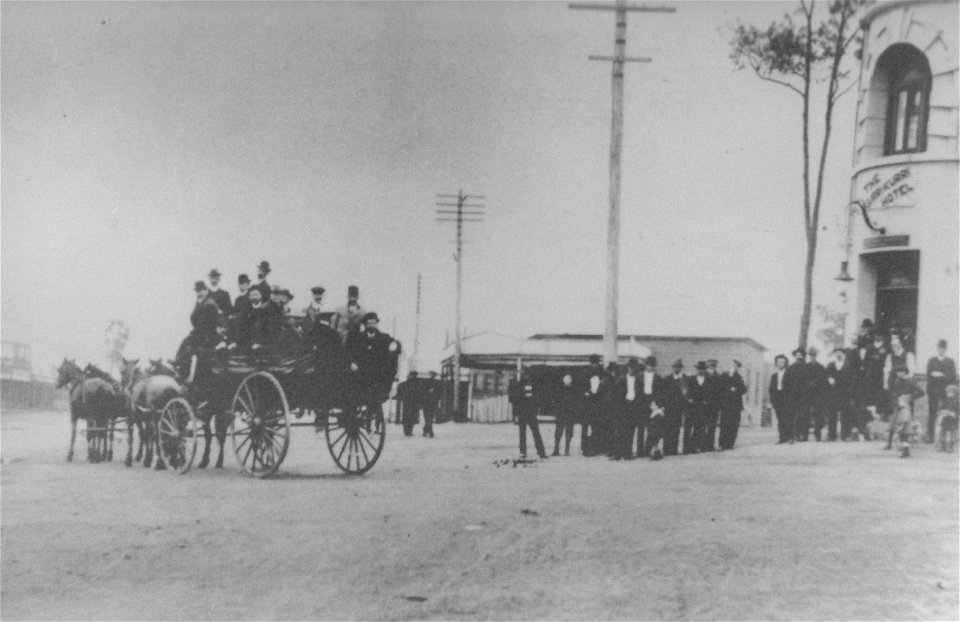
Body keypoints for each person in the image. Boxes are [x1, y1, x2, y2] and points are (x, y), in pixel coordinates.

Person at [345, 312, 401, 431]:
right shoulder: (358, 338)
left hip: (378, 377)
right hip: (361, 375)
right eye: (369, 323)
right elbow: (349, 352)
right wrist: (352, 363)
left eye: (374, 323)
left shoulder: (385, 338)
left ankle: (376, 408)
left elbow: (396, 345)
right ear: (365, 325)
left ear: (377, 324)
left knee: (389, 364)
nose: (371, 325)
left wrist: (395, 346)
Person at [175, 281, 221, 366]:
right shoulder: (201, 302)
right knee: (186, 342)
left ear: (205, 290)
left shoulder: (209, 304)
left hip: (208, 336)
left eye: (200, 291)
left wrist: (196, 330)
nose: (198, 293)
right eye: (197, 291)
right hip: (201, 333)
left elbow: (204, 324)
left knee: (189, 346)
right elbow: (192, 318)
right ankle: (179, 363)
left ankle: (182, 367)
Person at [885, 365, 924, 456]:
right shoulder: (897, 381)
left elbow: (921, 392)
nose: (898, 374)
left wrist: (910, 397)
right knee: (893, 424)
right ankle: (889, 443)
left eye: (900, 372)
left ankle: (905, 448)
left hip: (907, 407)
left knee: (905, 426)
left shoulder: (911, 381)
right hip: (897, 405)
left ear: (905, 372)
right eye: (897, 372)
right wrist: (896, 400)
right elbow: (893, 392)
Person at [509, 367, 547, 459]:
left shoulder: (534, 386)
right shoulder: (518, 385)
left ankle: (540, 452)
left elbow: (537, 399)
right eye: (525, 374)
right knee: (524, 432)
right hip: (523, 412)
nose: (526, 376)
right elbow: (515, 400)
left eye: (527, 374)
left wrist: (535, 408)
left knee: (534, 432)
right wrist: (516, 413)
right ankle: (524, 452)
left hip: (530, 412)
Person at [611, 358, 643, 460]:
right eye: (630, 368)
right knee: (620, 430)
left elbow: (641, 394)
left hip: (634, 406)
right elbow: (616, 394)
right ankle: (617, 454)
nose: (632, 370)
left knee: (631, 430)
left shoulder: (639, 380)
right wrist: (619, 406)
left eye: (634, 368)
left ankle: (627, 453)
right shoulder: (621, 379)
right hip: (624, 406)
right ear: (628, 368)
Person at [925, 339, 957, 443]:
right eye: (939, 348)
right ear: (937, 348)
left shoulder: (950, 362)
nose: (941, 350)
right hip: (933, 391)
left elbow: (951, 377)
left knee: (946, 413)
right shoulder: (932, 360)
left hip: (946, 392)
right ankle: (930, 436)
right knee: (932, 413)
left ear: (946, 349)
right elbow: (929, 376)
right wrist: (941, 375)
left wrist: (940, 375)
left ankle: (944, 438)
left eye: (943, 348)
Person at [826, 348, 856, 441]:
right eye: (837, 353)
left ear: (843, 354)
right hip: (833, 392)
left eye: (840, 353)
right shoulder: (831, 365)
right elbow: (827, 375)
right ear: (835, 354)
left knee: (846, 414)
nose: (839, 355)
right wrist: (830, 379)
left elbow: (852, 378)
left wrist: (850, 391)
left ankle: (846, 435)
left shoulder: (848, 364)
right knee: (832, 414)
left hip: (845, 392)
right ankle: (832, 435)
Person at [638, 356, 664, 457]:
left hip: (652, 403)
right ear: (646, 366)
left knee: (651, 428)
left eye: (653, 366)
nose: (651, 368)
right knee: (641, 428)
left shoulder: (658, 378)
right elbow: (637, 391)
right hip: (642, 403)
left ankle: (649, 449)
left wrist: (655, 403)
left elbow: (659, 392)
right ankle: (640, 451)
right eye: (649, 366)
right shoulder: (639, 376)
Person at [802, 347, 829, 441]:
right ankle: (804, 435)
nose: (812, 357)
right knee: (805, 414)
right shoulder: (805, 367)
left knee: (818, 415)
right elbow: (801, 381)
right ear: (809, 356)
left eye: (814, 355)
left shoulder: (821, 367)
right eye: (811, 355)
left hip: (818, 394)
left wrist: (835, 383)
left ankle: (818, 434)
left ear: (816, 356)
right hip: (806, 394)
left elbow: (828, 378)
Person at [718, 359, 747, 450]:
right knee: (724, 424)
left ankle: (730, 443)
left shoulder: (739, 377)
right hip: (725, 404)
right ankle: (722, 444)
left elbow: (743, 389)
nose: (734, 368)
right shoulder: (723, 375)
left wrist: (735, 389)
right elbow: (721, 387)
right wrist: (731, 388)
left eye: (736, 367)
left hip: (736, 405)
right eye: (733, 366)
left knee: (734, 425)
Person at [580, 354, 605, 455]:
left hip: (597, 403)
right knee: (585, 426)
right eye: (592, 363)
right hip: (587, 403)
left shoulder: (602, 373)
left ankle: (596, 446)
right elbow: (582, 387)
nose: (594, 365)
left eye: (596, 363)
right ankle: (584, 446)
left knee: (596, 426)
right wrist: (586, 393)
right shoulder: (586, 373)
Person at [661, 359, 686, 456]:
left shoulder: (684, 379)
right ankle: (666, 449)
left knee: (676, 429)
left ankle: (674, 449)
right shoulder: (667, 379)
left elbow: (685, 394)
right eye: (675, 367)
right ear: (673, 368)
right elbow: (663, 394)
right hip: (668, 408)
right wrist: (663, 405)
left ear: (681, 368)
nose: (676, 369)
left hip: (678, 408)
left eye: (678, 367)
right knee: (667, 428)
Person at [783, 348, 807, 443]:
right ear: (794, 356)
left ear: (803, 356)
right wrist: (788, 393)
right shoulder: (790, 368)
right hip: (792, 395)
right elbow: (785, 382)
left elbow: (810, 381)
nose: (799, 356)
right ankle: (793, 435)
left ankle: (803, 435)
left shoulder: (806, 367)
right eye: (797, 355)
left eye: (800, 354)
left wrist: (806, 391)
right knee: (792, 415)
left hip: (804, 395)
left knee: (803, 415)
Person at [685, 361, 710, 453]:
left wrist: (707, 401)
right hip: (693, 406)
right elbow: (688, 391)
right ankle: (689, 447)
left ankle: (700, 446)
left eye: (703, 369)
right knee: (691, 426)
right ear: (697, 369)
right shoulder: (692, 379)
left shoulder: (708, 380)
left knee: (700, 427)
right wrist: (690, 399)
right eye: (699, 369)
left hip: (703, 407)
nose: (701, 371)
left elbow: (710, 392)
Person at [552, 373, 579, 456]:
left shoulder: (560, 390)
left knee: (563, 432)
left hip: (564, 413)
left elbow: (556, 401)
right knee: (564, 432)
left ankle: (559, 450)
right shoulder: (573, 390)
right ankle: (564, 450)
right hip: (566, 413)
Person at [769, 354, 790, 444]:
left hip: (787, 398)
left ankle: (789, 437)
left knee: (787, 418)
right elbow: (771, 389)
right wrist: (773, 400)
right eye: (779, 362)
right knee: (780, 419)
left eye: (782, 362)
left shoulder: (789, 374)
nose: (781, 363)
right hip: (778, 399)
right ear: (776, 363)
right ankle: (782, 438)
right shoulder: (774, 376)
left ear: (785, 363)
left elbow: (792, 388)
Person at [935, 384, 959, 452]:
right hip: (945, 419)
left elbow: (957, 411)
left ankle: (951, 447)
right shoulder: (945, 400)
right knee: (943, 432)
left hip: (952, 420)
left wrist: (952, 413)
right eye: (947, 392)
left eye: (949, 392)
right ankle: (942, 445)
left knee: (951, 434)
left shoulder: (957, 402)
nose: (947, 393)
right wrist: (941, 411)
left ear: (954, 393)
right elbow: (941, 408)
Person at [397, 371, 420, 436]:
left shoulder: (416, 384)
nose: (414, 376)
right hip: (408, 402)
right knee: (407, 416)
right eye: (412, 375)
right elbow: (400, 392)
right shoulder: (406, 384)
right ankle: (407, 430)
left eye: (414, 375)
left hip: (412, 402)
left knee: (411, 416)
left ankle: (409, 430)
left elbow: (419, 393)